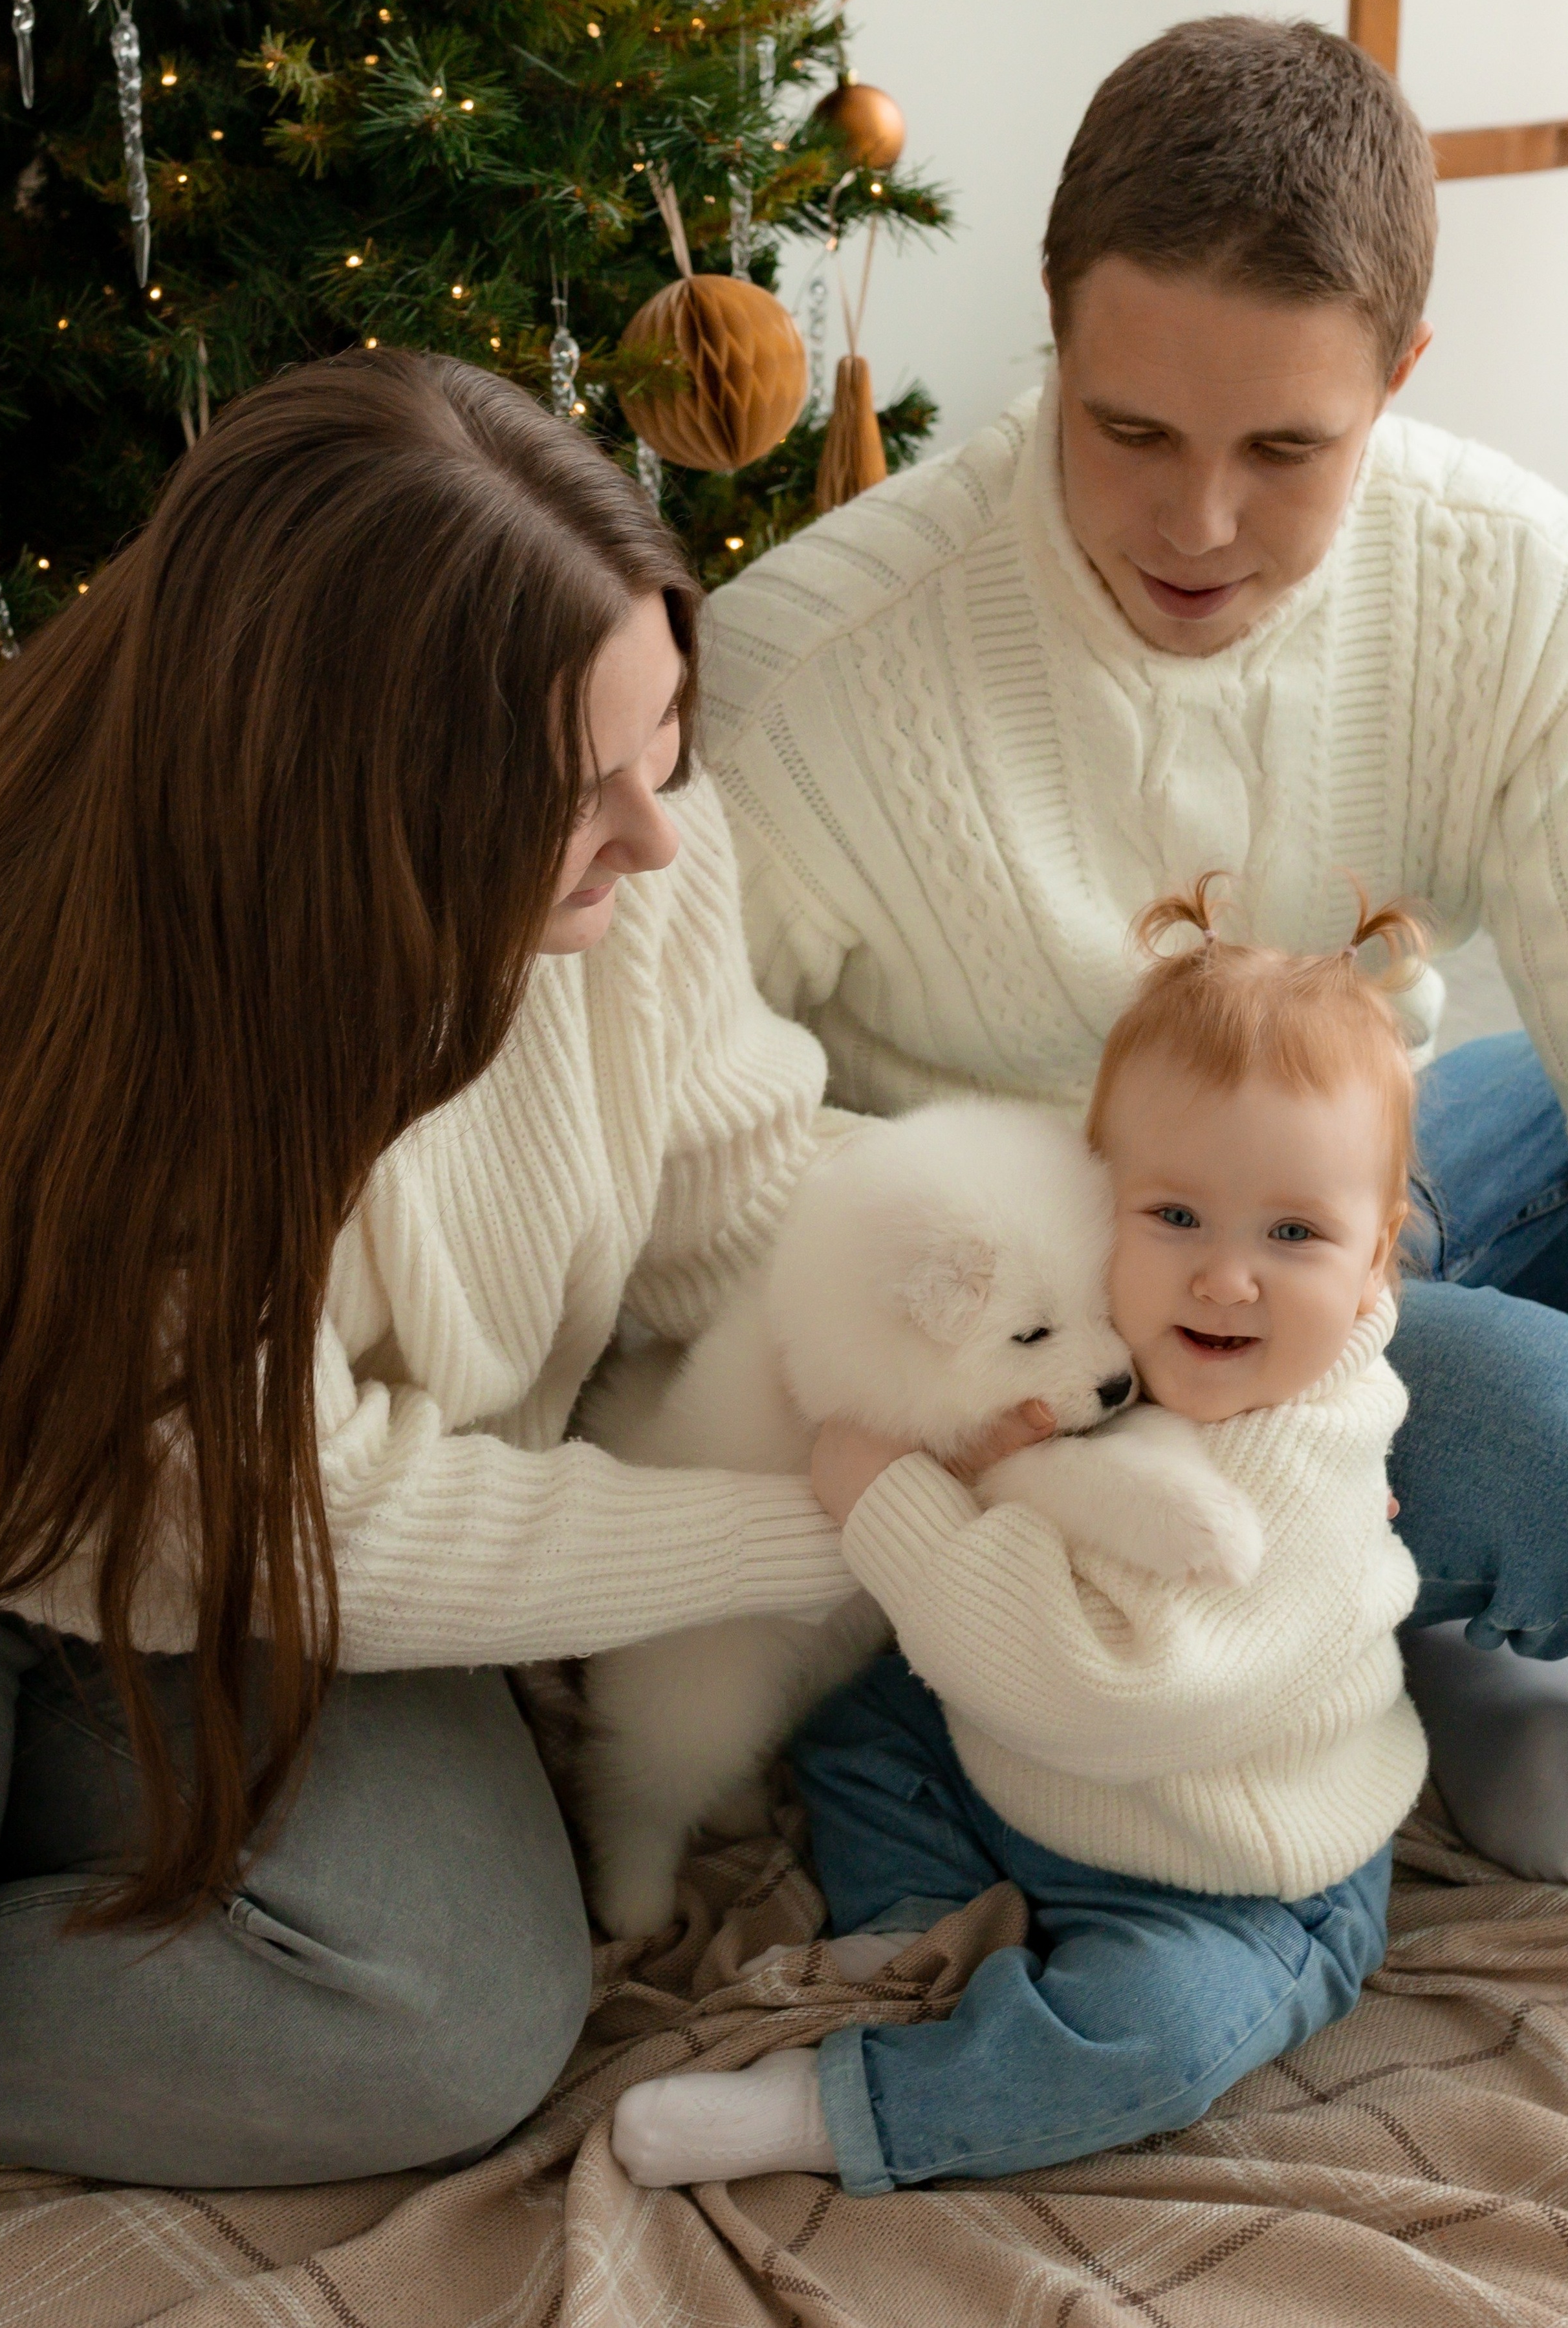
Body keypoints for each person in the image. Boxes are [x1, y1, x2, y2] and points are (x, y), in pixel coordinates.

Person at [700, 14, 1568, 1889]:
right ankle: (1442, 1605)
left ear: (1403, 377)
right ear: (1052, 338)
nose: (1199, 524)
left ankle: (1437, 1626)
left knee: (1556, 1093)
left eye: (1288, 449)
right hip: (1099, 1385)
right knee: (1539, 1430)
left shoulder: (1515, 591)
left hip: (1353, 1212)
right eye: (1128, 429)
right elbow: (684, 1173)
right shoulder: (812, 677)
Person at [0, 348, 889, 2187]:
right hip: (124, 1509)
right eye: (587, 791)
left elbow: (741, 1203)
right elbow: (317, 1516)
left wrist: (1070, 1263)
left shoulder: (637, 856)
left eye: (667, 750)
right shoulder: (123, 1004)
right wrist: (827, 1520)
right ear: (357, 807)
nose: (654, 833)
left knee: (448, 2011)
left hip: (246, 1573)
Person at [611, 881, 1430, 2192]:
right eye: (1171, 1218)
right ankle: (920, 1917)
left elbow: (1096, 1692)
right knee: (857, 1730)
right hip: (1028, 1779)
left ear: (1376, 1259)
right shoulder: (1147, 1337)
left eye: (1291, 1233)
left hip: (1232, 1870)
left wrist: (889, 1501)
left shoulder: (1292, 1480)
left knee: (1155, 2039)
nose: (1225, 1275)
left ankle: (848, 2109)